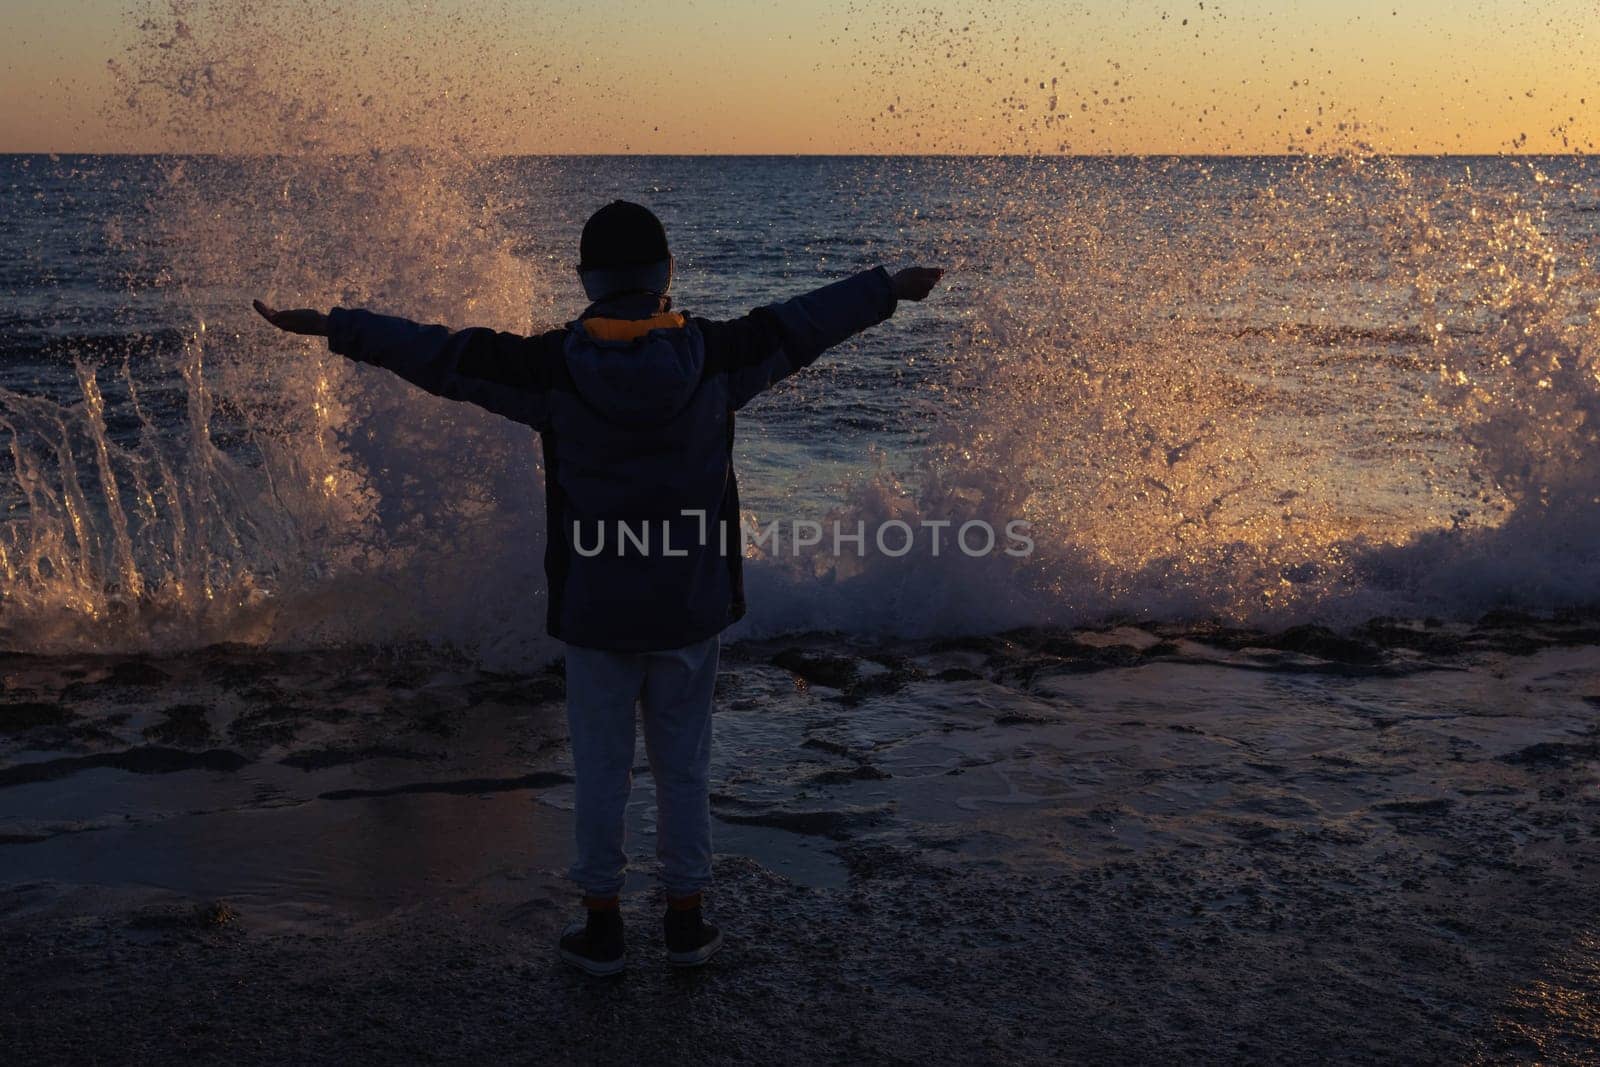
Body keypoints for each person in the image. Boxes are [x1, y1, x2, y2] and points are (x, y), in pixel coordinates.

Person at [254, 200, 944, 976]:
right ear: (668, 275)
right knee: (684, 765)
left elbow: (439, 354)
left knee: (602, 767)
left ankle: (603, 927)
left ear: (586, 279)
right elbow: (804, 321)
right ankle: (686, 922)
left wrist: (332, 325)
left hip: (597, 612)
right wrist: (889, 287)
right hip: (688, 608)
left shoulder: (552, 369)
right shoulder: (719, 356)